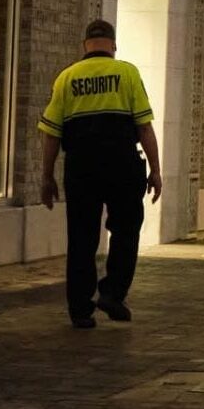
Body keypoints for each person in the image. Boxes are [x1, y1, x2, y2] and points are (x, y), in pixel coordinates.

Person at [40, 19, 163, 329]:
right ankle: (113, 293)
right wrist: (156, 170)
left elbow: (51, 133)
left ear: (85, 45)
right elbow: (144, 126)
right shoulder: (127, 73)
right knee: (126, 229)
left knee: (81, 237)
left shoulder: (67, 78)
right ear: (113, 44)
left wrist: (47, 176)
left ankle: (80, 309)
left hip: (81, 168)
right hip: (122, 165)